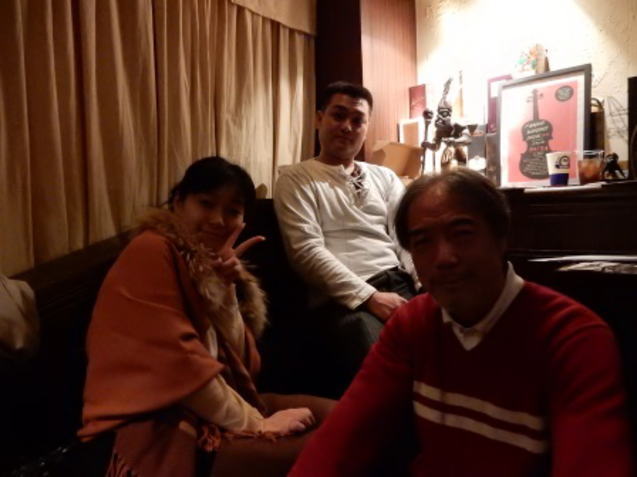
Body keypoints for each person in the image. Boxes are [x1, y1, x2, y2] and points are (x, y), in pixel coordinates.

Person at [290, 168, 634, 476]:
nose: (444, 257)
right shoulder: (412, 324)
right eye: (423, 242)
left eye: (462, 233)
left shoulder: (573, 339)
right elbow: (343, 439)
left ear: (502, 237)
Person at [78, 157, 334, 477]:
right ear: (178, 202)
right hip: (151, 418)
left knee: (346, 418)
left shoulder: (204, 265)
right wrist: (257, 424)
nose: (218, 219)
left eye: (232, 210)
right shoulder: (151, 250)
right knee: (337, 446)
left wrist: (225, 290)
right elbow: (178, 365)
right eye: (206, 204)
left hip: (209, 403)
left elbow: (240, 364)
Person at [273, 81, 417, 397]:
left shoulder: (385, 177)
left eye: (357, 120)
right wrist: (369, 297)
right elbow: (306, 252)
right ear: (319, 119)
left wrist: (424, 287)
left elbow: (407, 238)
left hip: (401, 284)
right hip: (345, 302)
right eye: (338, 116)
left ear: (366, 127)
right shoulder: (296, 178)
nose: (347, 127)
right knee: (385, 367)